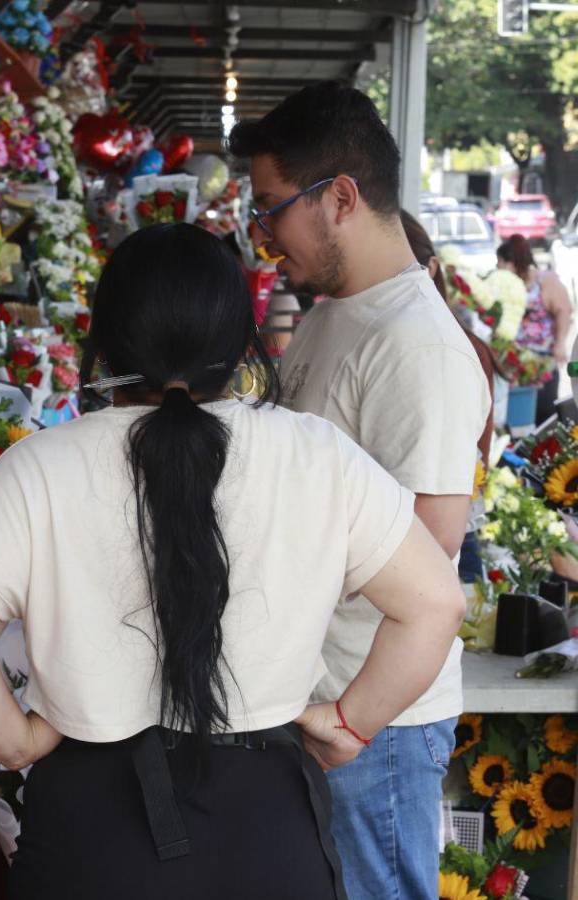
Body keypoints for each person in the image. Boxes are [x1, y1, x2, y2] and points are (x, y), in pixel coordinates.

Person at [0, 223, 466, 899]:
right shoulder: (317, 455)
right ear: (239, 339)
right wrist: (350, 724)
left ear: (107, 337)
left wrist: (17, 743)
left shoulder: (41, 465)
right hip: (266, 827)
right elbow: (436, 604)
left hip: (90, 832)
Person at [228, 82, 489, 900]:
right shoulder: (339, 310)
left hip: (370, 718)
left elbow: (429, 548)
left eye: (272, 208)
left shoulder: (418, 348)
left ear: (340, 197)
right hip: (315, 699)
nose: (264, 236)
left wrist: (352, 720)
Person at [402, 210, 495, 584]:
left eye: (408, 269)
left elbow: (479, 454)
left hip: (446, 535)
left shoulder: (459, 349)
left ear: (433, 268)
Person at [497, 233, 572, 423]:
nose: (498, 267)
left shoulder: (544, 281)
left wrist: (560, 343)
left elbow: (564, 310)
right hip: (515, 363)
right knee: (518, 418)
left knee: (544, 413)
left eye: (500, 262)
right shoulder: (507, 285)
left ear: (512, 263)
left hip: (542, 362)